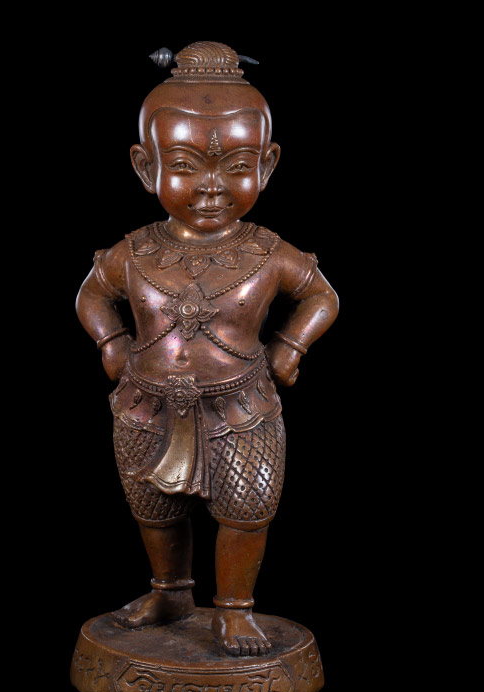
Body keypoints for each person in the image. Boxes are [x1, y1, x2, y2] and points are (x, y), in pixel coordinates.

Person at [75, 41, 339, 657]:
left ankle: (235, 610)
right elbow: (91, 294)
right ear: (146, 168)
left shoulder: (267, 251)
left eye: (238, 165)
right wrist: (111, 341)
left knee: (248, 506)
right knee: (152, 506)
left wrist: (290, 346)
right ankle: (169, 592)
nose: (212, 187)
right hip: (145, 402)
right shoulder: (137, 249)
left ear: (267, 166)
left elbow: (322, 296)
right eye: (185, 165)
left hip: (241, 405)